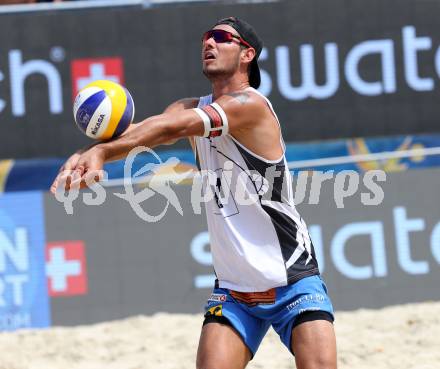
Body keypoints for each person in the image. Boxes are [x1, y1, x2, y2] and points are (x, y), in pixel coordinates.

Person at [51, 17, 337, 369]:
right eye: (206, 37)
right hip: (235, 290)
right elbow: (148, 131)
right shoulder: (192, 106)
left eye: (221, 38)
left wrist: (101, 152)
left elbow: (174, 126)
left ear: (247, 54)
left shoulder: (250, 106)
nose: (209, 43)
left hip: (293, 278)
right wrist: (85, 154)